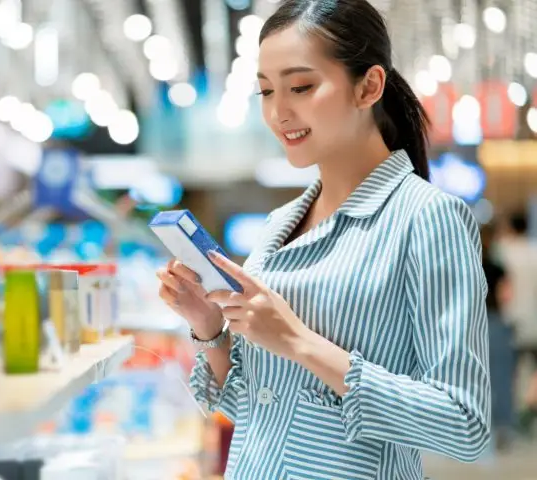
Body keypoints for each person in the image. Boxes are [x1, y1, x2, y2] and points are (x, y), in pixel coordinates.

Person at [157, 1, 491, 478]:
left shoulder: (428, 218)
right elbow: (251, 404)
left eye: (301, 87)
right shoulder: (278, 224)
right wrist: (208, 325)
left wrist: (299, 341)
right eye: (266, 91)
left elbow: (464, 424)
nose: (278, 112)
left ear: (369, 86)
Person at [497, 212, 537, 435]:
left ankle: (509, 417)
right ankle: (529, 406)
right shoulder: (534, 250)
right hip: (533, 320)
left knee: (507, 373)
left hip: (507, 320)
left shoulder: (503, 251)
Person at [481, 223, 516, 449]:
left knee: (474, 379)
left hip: (471, 325)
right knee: (502, 378)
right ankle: (503, 429)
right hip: (494, 322)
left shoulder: (467, 263)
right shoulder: (497, 266)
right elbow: (506, 295)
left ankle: (477, 428)